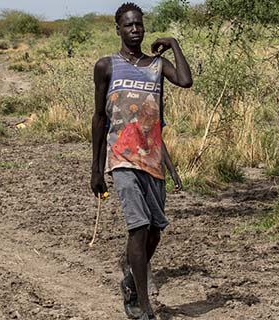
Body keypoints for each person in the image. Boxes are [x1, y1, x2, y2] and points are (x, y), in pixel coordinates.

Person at [90, 3, 192, 319]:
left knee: (155, 231)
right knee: (139, 226)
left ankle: (132, 282)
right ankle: (143, 306)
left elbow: (186, 81)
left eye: (139, 25)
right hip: (122, 158)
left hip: (153, 158)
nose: (135, 30)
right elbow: (98, 117)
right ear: (118, 29)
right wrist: (96, 169)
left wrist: (173, 43)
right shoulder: (106, 66)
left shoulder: (157, 66)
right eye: (129, 25)